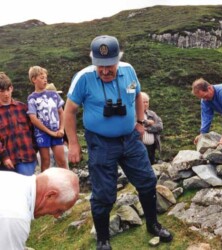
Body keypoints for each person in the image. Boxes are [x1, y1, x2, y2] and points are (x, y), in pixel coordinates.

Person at [64, 35, 173, 249]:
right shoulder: (83, 77)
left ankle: (153, 224)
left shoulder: (129, 70)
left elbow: (138, 93)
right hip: (101, 142)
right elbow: (69, 111)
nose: (105, 71)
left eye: (109, 66)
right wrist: (74, 144)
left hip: (130, 139)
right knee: (104, 193)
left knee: (147, 180)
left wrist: (140, 122)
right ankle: (103, 239)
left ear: (118, 60)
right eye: (100, 66)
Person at [0, 168, 80, 249]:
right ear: (50, 195)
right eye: (59, 210)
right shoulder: (15, 217)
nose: (56, 216)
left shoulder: (11, 178)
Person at [27, 66, 68, 172]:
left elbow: (61, 112)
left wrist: (61, 129)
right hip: (42, 134)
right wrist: (50, 132)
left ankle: (66, 185)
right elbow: (33, 119)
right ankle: (44, 187)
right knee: (45, 161)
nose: (45, 80)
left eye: (45, 77)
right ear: (34, 79)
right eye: (41, 78)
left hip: (57, 132)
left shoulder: (54, 94)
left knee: (62, 161)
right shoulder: (32, 98)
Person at [0, 72, 37, 176]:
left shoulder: (23, 108)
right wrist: (4, 157)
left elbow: (33, 130)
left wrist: (34, 148)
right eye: (1, 91)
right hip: (6, 162)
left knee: (27, 190)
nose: (6, 94)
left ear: (11, 88)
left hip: (27, 159)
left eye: (8, 89)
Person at [140, 92, 163, 165]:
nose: (146, 104)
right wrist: (146, 122)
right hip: (139, 147)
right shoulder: (134, 114)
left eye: (147, 102)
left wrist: (148, 128)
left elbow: (160, 126)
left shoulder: (152, 114)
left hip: (151, 148)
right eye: (143, 102)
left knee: (151, 166)